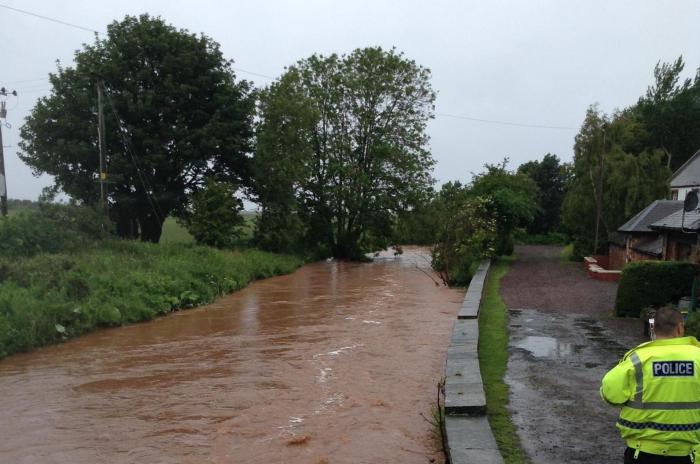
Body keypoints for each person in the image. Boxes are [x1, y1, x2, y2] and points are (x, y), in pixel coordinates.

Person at [601, 306, 700, 463]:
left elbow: (610, 393)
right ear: (680, 328)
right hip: (688, 454)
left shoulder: (637, 358)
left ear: (653, 328)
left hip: (642, 453)